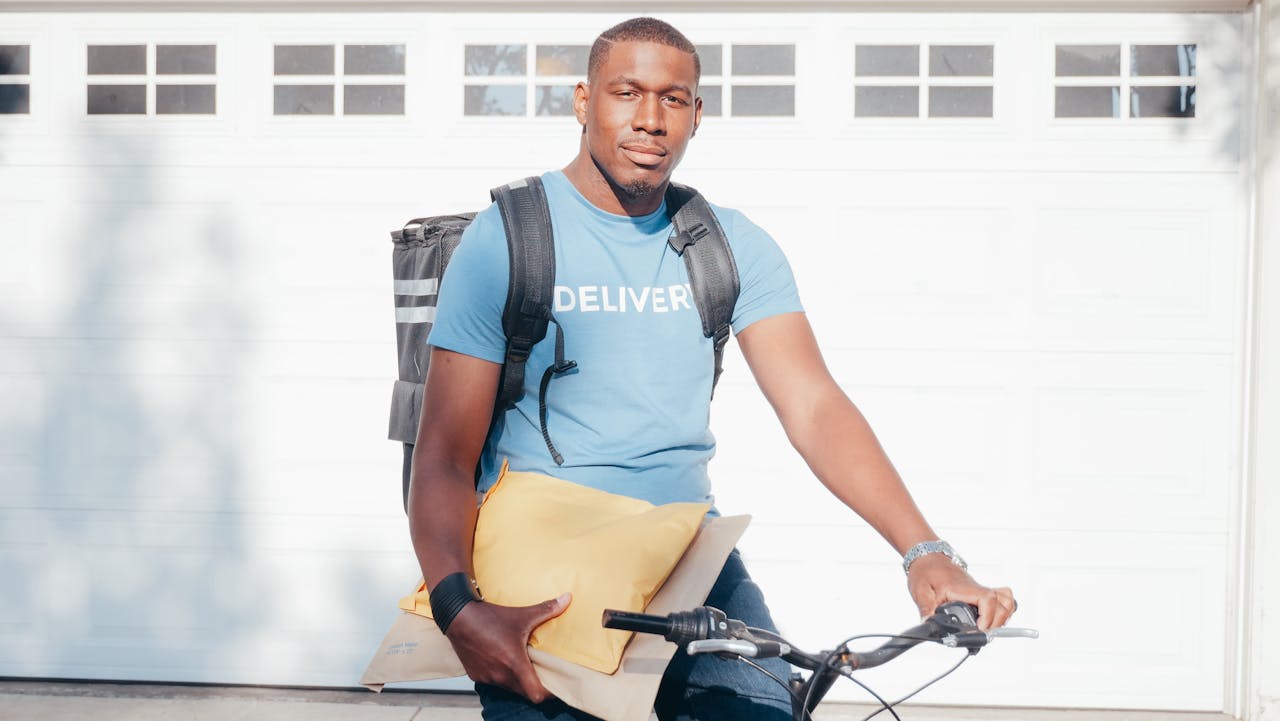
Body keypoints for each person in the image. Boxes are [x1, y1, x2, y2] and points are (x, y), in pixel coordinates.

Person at [407, 16, 1017, 721]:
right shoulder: (508, 239)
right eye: (626, 92)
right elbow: (445, 455)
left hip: (686, 554)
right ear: (583, 101)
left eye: (673, 99)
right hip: (544, 566)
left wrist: (925, 553)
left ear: (697, 114)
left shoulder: (727, 244)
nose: (650, 118)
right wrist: (458, 607)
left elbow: (814, 406)